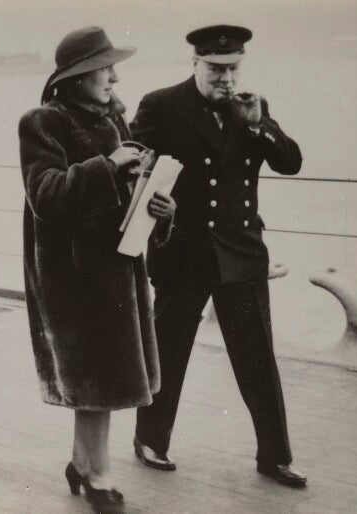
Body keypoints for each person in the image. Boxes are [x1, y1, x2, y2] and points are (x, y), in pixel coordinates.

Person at [130, 25, 307, 487]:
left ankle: (275, 456)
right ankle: (150, 440)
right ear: (196, 63)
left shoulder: (250, 106)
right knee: (169, 353)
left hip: (241, 254)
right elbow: (130, 165)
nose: (226, 80)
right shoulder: (162, 105)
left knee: (258, 359)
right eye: (215, 69)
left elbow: (291, 162)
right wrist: (151, 201)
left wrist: (258, 124)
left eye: (233, 69)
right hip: (182, 251)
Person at [18, 27, 175, 513]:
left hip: (116, 267)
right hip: (71, 274)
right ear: (79, 75)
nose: (114, 77)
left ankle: (81, 462)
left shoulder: (113, 117)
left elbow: (124, 192)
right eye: (105, 68)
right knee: (96, 379)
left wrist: (160, 209)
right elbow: (45, 195)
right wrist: (109, 164)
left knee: (101, 375)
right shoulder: (43, 122)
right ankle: (97, 476)